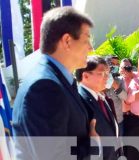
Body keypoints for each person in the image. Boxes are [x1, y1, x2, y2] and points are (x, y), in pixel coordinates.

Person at [12, 7, 96, 160]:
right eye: (86, 39)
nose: (91, 48)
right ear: (67, 41)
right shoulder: (44, 87)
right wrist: (93, 144)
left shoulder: (56, 80)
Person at [75, 56, 119, 160]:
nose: (107, 77)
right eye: (101, 73)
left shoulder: (102, 97)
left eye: (107, 73)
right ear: (85, 76)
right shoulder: (79, 101)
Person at [105, 55, 128, 136]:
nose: (115, 66)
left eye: (117, 64)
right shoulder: (99, 78)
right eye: (112, 63)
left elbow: (125, 97)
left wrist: (115, 85)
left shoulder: (120, 80)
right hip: (104, 121)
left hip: (118, 120)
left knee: (118, 146)